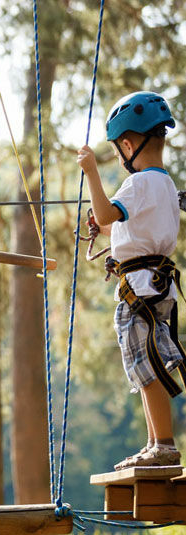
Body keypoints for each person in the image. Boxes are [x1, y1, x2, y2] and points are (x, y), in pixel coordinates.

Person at [77, 91, 185, 470]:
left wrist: (91, 172)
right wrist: (105, 228)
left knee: (146, 363)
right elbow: (127, 228)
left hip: (139, 287)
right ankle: (157, 441)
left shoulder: (138, 185)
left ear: (127, 144)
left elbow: (106, 213)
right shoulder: (166, 186)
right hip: (155, 283)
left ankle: (164, 444)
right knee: (145, 362)